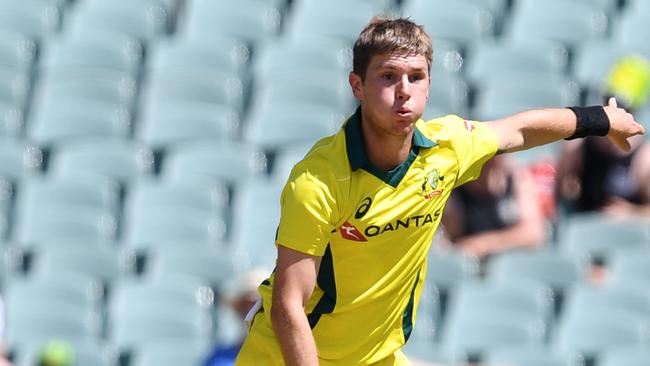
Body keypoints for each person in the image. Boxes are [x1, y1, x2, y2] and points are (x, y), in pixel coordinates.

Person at [235, 16, 644, 366]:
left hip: (376, 357)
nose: (404, 90)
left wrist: (600, 119)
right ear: (357, 86)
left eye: (416, 77)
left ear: (429, 85)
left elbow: (518, 130)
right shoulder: (318, 180)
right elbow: (290, 305)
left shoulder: (447, 147)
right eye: (388, 76)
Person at [556, 54, 650, 218]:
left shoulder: (643, 159)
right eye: (610, 103)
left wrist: (631, 213)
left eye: (623, 108)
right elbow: (558, 194)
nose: (616, 113)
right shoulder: (577, 147)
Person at [441, 154, 547, 259]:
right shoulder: (455, 187)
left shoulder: (517, 178)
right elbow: (450, 241)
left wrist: (482, 245)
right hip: (468, 265)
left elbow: (534, 234)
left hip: (510, 263)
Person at [203, 268, 269, 366]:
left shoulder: (283, 355)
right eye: (246, 303)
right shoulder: (218, 358)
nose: (251, 311)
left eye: (258, 304)